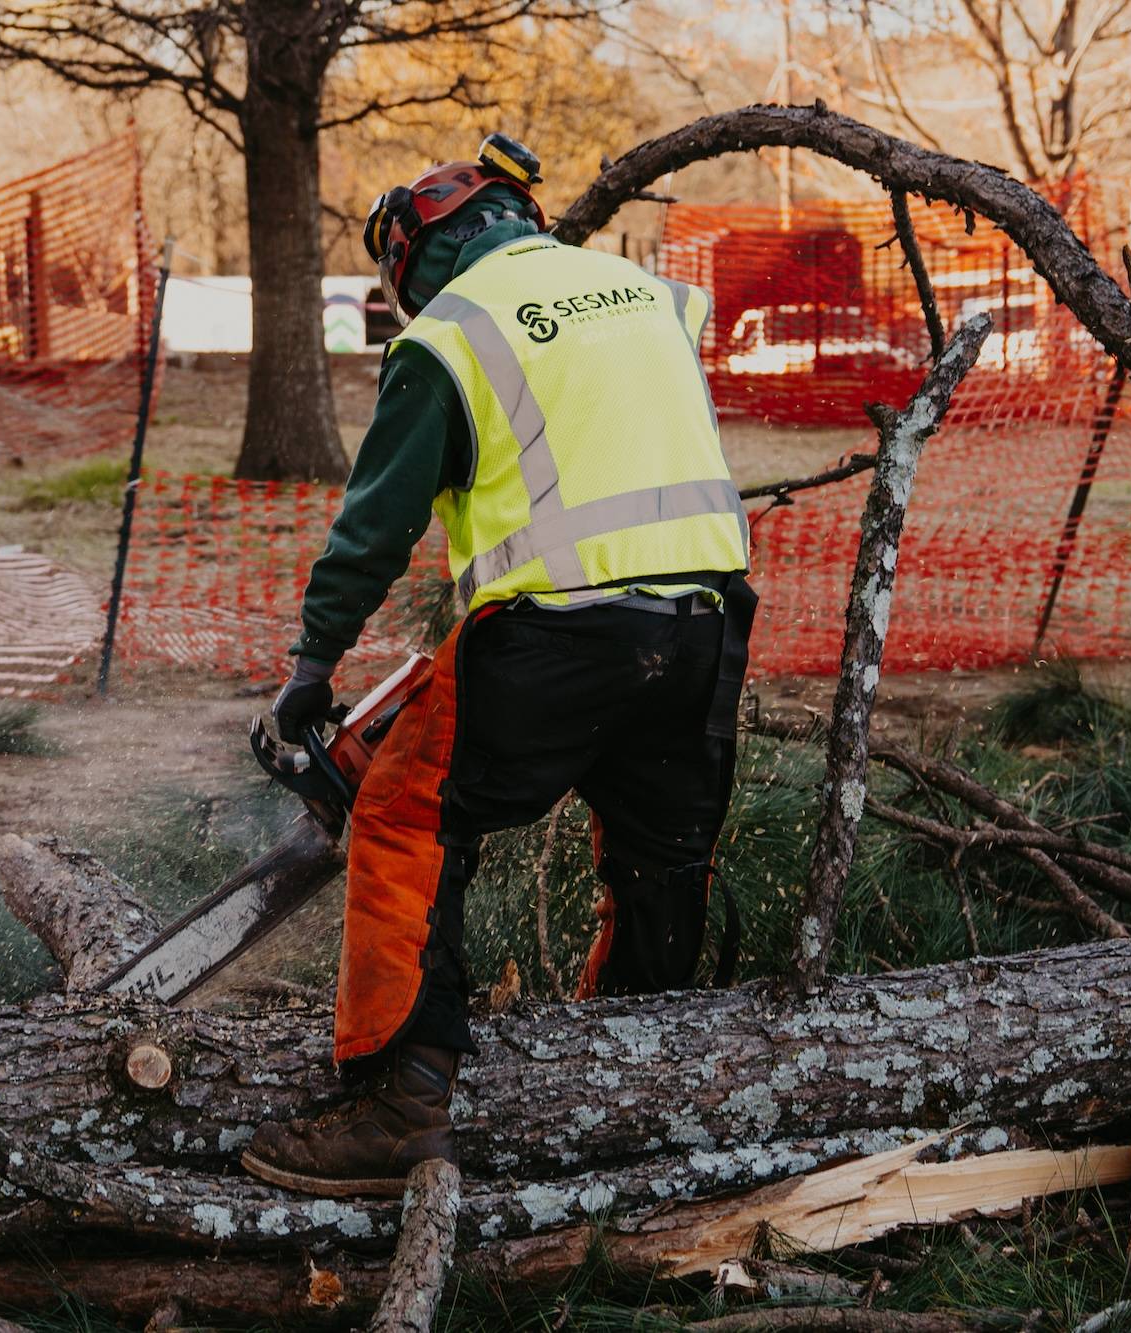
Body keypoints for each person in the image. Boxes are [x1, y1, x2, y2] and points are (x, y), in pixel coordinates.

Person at [240, 134, 755, 1198]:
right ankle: (641, 1081)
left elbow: (373, 530)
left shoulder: (449, 335)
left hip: (555, 635)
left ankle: (400, 1105)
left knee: (402, 816)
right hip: (704, 626)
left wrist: (312, 667)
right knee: (661, 852)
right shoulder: (653, 298)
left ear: (415, 257)